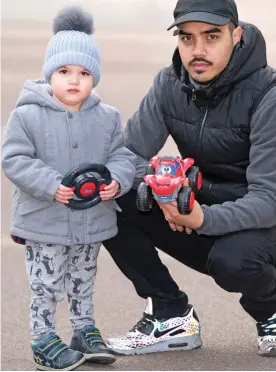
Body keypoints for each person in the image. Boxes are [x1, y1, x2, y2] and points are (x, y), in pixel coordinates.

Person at [102, 0, 276, 357]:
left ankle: (271, 312)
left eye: (211, 37)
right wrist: (160, 190)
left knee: (234, 260)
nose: (197, 51)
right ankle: (170, 315)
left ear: (236, 36)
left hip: (262, 224)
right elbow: (127, 155)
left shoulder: (268, 95)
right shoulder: (170, 84)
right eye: (187, 37)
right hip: (197, 209)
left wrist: (202, 218)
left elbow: (269, 199)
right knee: (110, 196)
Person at [1, 6, 136, 371]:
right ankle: (43, 338)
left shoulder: (106, 117)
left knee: (82, 279)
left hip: (90, 222)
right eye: (64, 72)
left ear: (95, 78)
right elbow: (13, 159)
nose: (73, 80)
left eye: (84, 73)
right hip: (44, 222)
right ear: (50, 74)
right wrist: (50, 184)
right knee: (46, 284)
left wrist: (117, 180)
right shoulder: (27, 114)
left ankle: (83, 330)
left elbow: (122, 157)